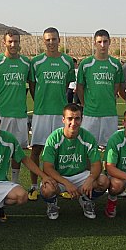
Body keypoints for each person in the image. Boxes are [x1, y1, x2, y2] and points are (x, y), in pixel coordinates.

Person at [27, 27, 75, 201]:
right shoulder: (36, 62)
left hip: (60, 113)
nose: (51, 42)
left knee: (59, 150)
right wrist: (40, 100)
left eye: (54, 39)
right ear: (44, 41)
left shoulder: (68, 61)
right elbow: (33, 86)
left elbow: (67, 85)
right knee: (37, 149)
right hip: (41, 112)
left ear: (59, 40)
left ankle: (60, 185)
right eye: (48, 40)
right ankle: (33, 186)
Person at [39, 103, 109, 220]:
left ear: (81, 120)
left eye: (77, 118)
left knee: (104, 181)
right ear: (63, 119)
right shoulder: (54, 138)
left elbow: (96, 164)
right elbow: (47, 167)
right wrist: (67, 183)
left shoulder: (87, 137)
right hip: (59, 177)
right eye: (70, 118)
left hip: (80, 175)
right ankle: (52, 204)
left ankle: (86, 200)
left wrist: (90, 179)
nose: (73, 122)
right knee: (47, 190)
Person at [0, 29, 31, 183]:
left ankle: (14, 182)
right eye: (10, 41)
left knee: (17, 150)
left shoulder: (26, 63)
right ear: (4, 42)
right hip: (2, 114)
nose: (13, 44)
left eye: (16, 42)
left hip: (19, 113)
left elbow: (31, 85)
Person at [75, 29, 124, 148]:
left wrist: (110, 99)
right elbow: (80, 87)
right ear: (94, 43)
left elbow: (116, 86)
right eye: (99, 42)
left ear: (110, 42)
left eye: (105, 41)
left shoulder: (115, 64)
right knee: (86, 147)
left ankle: (108, 167)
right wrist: (84, 104)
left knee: (111, 148)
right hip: (90, 114)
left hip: (109, 113)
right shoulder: (86, 64)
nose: (102, 45)